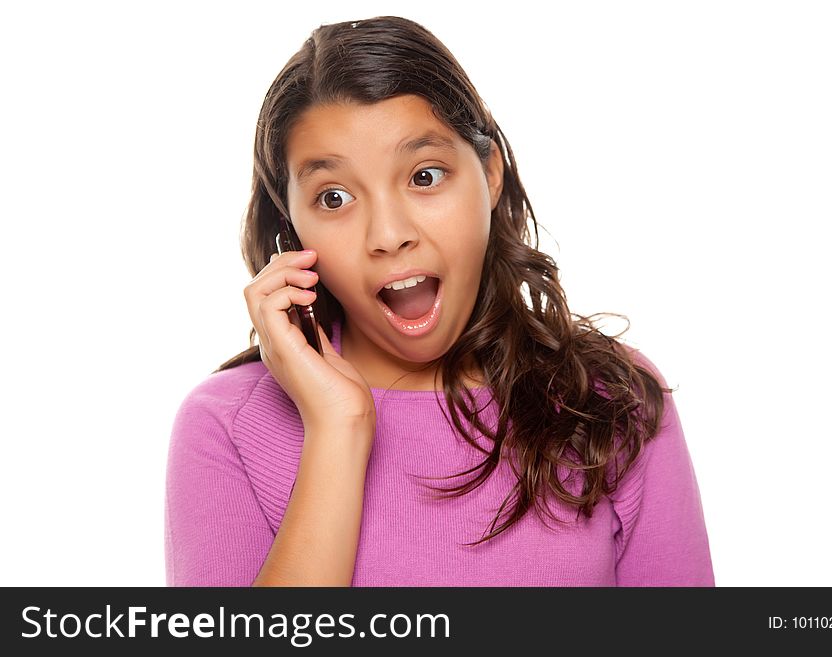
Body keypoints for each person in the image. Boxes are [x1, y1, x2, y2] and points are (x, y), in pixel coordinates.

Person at [164, 15, 714, 587]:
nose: (388, 233)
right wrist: (338, 429)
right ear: (292, 231)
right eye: (334, 197)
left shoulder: (608, 398)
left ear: (490, 176)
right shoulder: (226, 427)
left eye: (425, 176)